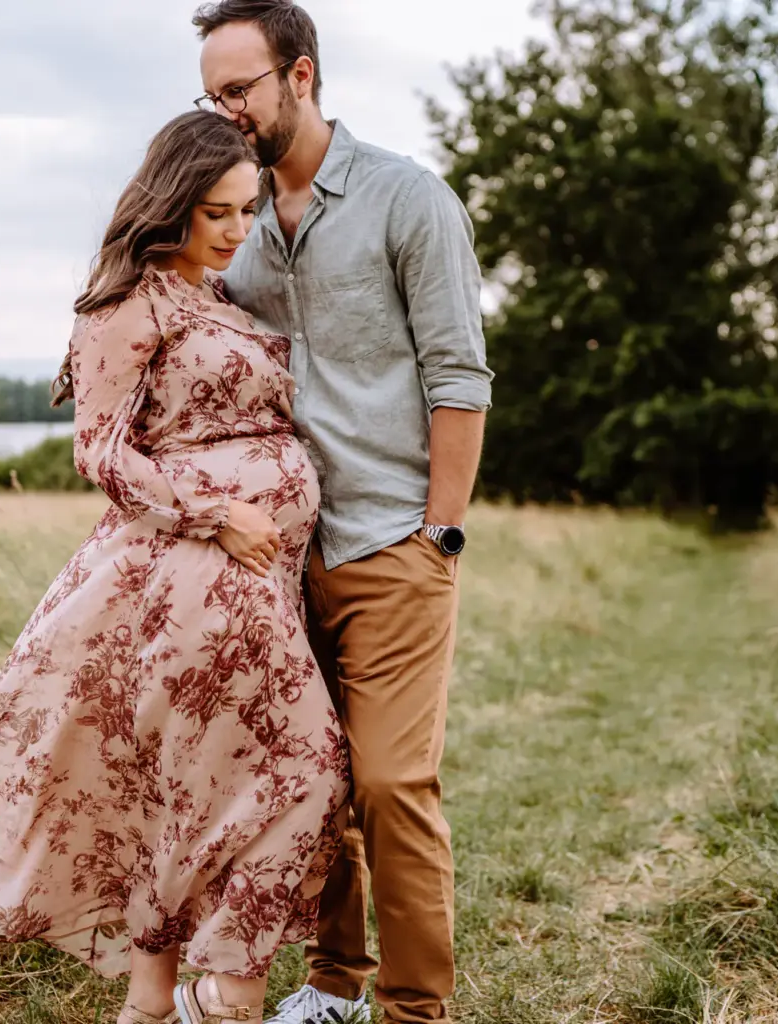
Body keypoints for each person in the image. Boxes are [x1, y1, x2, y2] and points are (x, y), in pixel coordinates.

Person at [0, 110, 350, 1024]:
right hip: (195, 574)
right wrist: (217, 512)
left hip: (254, 580)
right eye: (216, 213)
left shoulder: (220, 301)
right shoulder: (128, 303)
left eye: (245, 210)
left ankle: (155, 1005)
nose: (236, 231)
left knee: (202, 784)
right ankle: (226, 993)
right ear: (171, 205)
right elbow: (102, 455)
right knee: (305, 763)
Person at [192, 3, 494, 1023]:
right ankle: (333, 987)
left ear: (302, 76)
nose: (226, 111)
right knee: (316, 783)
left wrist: (440, 531)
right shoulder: (232, 233)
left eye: (241, 89)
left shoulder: (408, 200)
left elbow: (460, 375)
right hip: (277, 560)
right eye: (211, 94)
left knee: (392, 785)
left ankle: (415, 1011)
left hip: (393, 539)